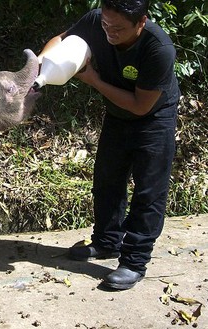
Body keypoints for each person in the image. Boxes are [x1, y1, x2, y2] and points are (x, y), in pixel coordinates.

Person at [37, 0, 180, 290]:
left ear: (141, 21)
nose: (109, 32)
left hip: (153, 118)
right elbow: (62, 40)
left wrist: (93, 80)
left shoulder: (158, 49)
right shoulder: (97, 20)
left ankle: (134, 262)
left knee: (148, 192)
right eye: (105, 24)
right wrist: (41, 63)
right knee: (107, 180)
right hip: (117, 115)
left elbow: (140, 106)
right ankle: (106, 242)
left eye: (118, 28)